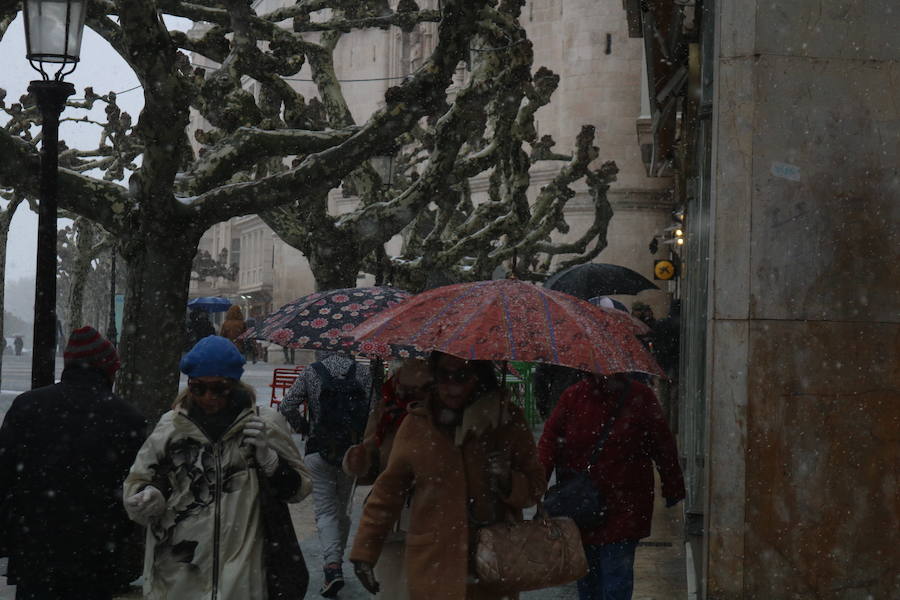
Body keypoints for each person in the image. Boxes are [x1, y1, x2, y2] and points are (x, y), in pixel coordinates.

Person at [123, 335, 312, 600]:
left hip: (243, 577)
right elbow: (139, 483)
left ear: (234, 384)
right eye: (199, 388)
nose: (208, 397)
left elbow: (298, 490)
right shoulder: (170, 427)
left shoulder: (264, 425)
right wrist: (148, 496)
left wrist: (270, 460)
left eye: (219, 388)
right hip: (178, 578)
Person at [350, 352, 547, 600]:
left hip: (492, 570)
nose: (452, 386)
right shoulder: (417, 424)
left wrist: (508, 480)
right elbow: (387, 493)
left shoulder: (506, 422)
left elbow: (536, 486)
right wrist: (364, 553)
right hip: (432, 568)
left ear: (479, 377)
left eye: (462, 376)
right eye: (444, 376)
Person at [0, 325, 147, 600]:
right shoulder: (127, 417)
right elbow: (133, 490)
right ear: (106, 370)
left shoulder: (27, 406)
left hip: (35, 547)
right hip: (98, 552)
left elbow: (4, 474)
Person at [538, 372, 685, 600]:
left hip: (587, 504)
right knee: (609, 578)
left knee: (595, 578)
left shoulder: (575, 396)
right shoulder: (639, 396)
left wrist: (537, 484)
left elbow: (549, 442)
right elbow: (663, 445)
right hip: (615, 506)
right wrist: (673, 486)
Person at [279, 351, 371, 597]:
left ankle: (332, 567)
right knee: (342, 510)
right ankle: (335, 563)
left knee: (326, 512)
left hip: (319, 451)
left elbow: (287, 406)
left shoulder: (312, 371)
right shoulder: (362, 373)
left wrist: (306, 428)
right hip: (351, 454)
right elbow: (372, 413)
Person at [342, 359, 433, 600]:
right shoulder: (386, 412)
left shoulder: (445, 418)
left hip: (434, 522)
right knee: (392, 592)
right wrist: (359, 459)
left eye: (418, 389)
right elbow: (372, 470)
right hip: (390, 522)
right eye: (404, 387)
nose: (409, 394)